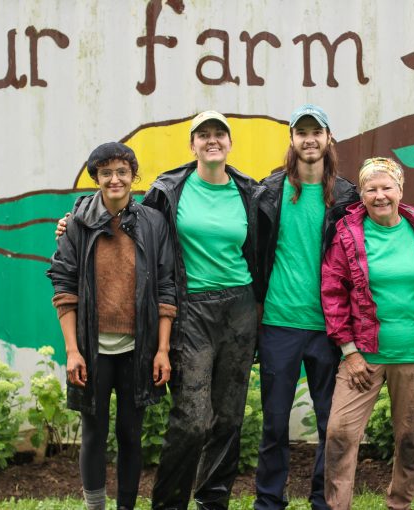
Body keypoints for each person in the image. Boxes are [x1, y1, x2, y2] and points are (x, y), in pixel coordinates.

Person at [47, 142, 177, 510]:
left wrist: (162, 349)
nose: (115, 179)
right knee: (94, 434)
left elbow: (166, 287)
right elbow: (64, 286)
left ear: (133, 177)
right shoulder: (77, 222)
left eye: (122, 172)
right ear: (96, 178)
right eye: (107, 173)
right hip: (92, 349)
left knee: (131, 434)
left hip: (138, 349)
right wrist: (73, 351)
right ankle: (95, 507)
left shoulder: (153, 223)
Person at [145, 111, 262, 510]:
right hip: (191, 309)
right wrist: (74, 220)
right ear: (192, 145)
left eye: (220, 134)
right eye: (204, 135)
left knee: (228, 419)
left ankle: (213, 502)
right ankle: (168, 505)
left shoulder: (250, 192)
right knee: (192, 420)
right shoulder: (168, 191)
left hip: (240, 307)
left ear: (230, 143)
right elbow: (133, 225)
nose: (212, 141)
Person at [320, 157, 414, 510]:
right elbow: (332, 293)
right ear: (360, 194)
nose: (379, 196)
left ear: (400, 190)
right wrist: (349, 351)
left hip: (413, 354)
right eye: (370, 189)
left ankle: (399, 504)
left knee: (410, 438)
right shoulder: (346, 235)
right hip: (362, 356)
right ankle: (336, 506)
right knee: (340, 434)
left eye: (386, 187)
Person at [255, 104, 358, 510]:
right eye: (302, 132)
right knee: (275, 424)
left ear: (328, 138)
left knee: (329, 426)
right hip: (279, 324)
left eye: (317, 132)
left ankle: (323, 500)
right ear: (292, 140)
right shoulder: (268, 192)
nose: (309, 139)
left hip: (331, 329)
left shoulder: (349, 196)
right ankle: (268, 502)